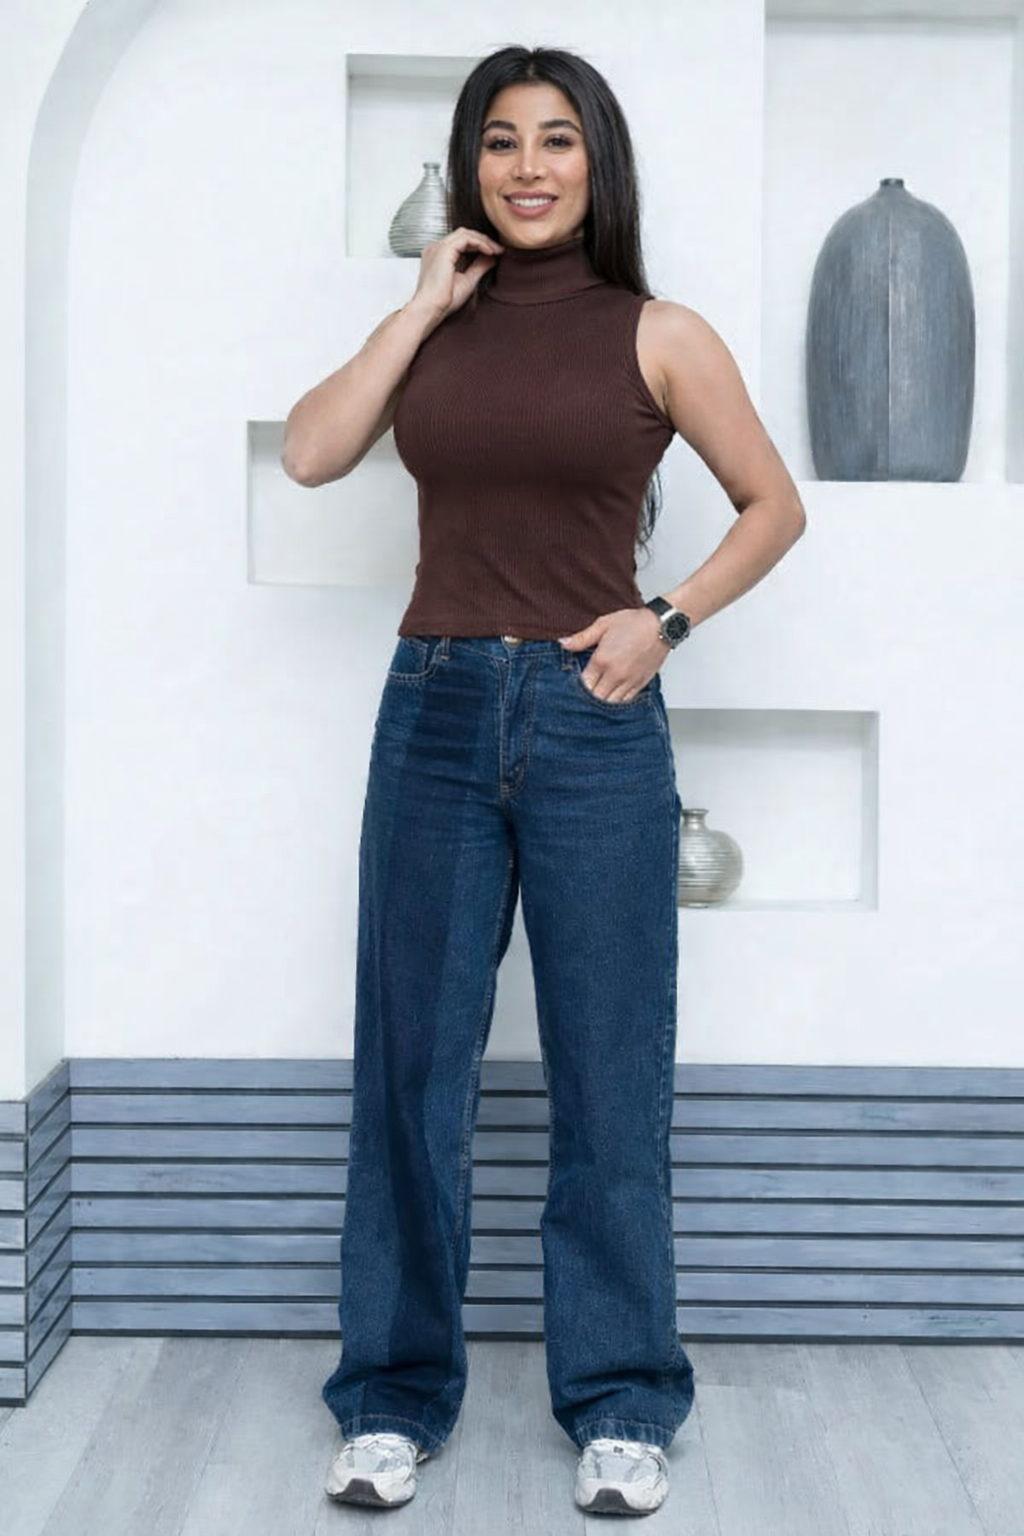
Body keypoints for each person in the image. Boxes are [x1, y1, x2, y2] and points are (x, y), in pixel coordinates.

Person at [283, 44, 806, 1519]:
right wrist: (417, 307)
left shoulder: (659, 333)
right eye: (501, 140)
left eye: (557, 139)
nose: (528, 166)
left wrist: (666, 620)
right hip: (435, 714)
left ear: (598, 162)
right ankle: (392, 1400)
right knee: (413, 1070)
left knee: (609, 1073)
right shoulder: (432, 329)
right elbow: (315, 453)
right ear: (470, 167)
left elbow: (773, 506)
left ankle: (623, 1401)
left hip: (593, 720)